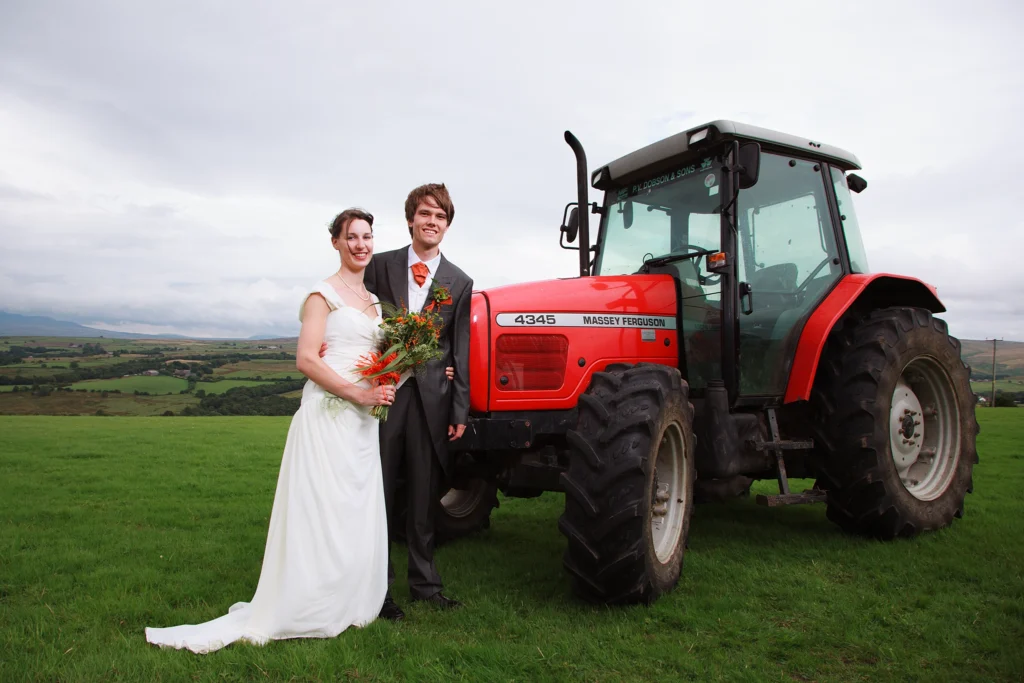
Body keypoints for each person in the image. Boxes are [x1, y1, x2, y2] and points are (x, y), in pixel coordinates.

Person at [145, 209, 396, 654]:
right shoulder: (322, 295)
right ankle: (309, 601)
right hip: (330, 412)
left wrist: (386, 381)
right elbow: (306, 358)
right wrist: (357, 395)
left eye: (367, 237)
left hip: (362, 421)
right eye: (352, 237)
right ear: (336, 242)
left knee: (352, 509)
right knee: (322, 508)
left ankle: (349, 597)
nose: (361, 244)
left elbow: (379, 357)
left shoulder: (376, 304)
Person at [363, 183, 472, 620]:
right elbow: (363, 322)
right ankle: (377, 590)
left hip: (434, 401)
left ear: (447, 225)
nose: (432, 222)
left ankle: (425, 585)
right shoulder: (381, 266)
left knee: (426, 496)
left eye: (440, 217)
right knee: (381, 492)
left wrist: (460, 408)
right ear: (411, 218)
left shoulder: (460, 281)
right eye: (425, 214)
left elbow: (458, 348)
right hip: (386, 394)